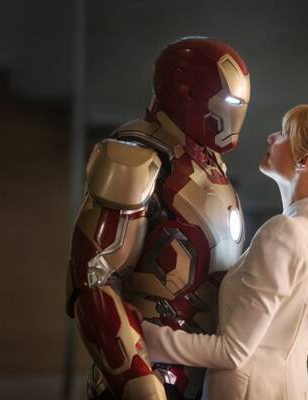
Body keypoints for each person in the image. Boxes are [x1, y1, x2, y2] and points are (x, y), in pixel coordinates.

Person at [141, 104, 308, 399]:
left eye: (284, 133)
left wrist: (141, 334)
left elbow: (231, 351)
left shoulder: (284, 231)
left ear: (304, 161)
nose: (271, 137)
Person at [66, 37, 251, 400]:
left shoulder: (211, 168)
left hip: (206, 377)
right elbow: (94, 278)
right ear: (188, 92)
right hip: (147, 373)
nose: (235, 114)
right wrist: (134, 376)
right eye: (229, 102)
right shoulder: (134, 160)